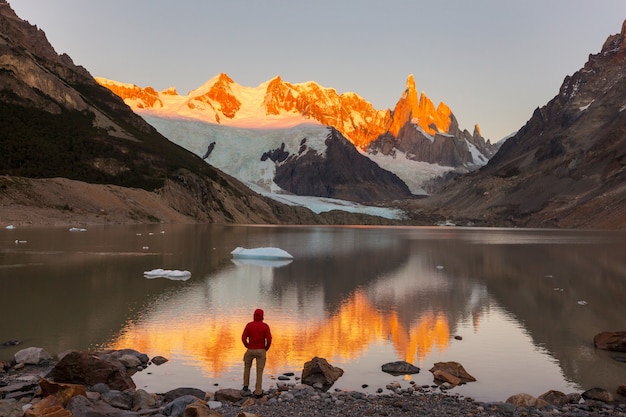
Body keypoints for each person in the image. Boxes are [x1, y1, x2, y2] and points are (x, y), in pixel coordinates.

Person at [241, 308, 272, 398]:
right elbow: (269, 340)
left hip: (250, 349)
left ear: (254, 315)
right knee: (259, 370)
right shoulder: (265, 326)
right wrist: (266, 348)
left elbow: (243, 338)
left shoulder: (249, 325)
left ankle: (246, 386)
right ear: (262, 316)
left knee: (247, 367)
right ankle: (258, 392)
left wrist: (247, 345)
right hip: (261, 350)